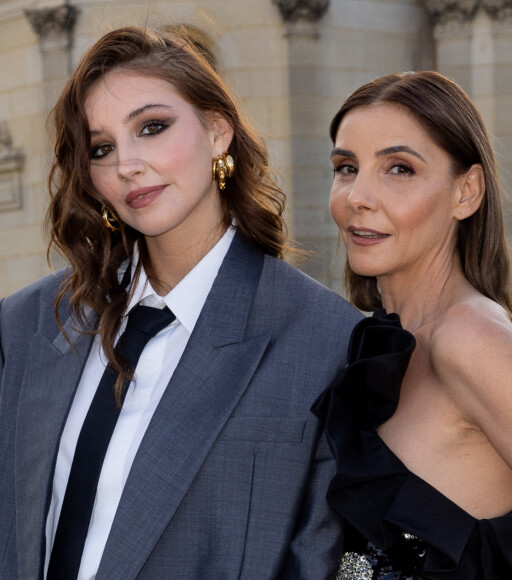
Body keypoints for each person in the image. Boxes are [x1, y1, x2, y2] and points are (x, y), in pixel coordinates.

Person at [0, 25, 363, 580]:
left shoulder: (325, 342)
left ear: (218, 131)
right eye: (102, 148)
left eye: (152, 127)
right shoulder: (25, 324)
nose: (127, 165)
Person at [313, 71, 512, 579]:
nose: (357, 196)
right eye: (346, 167)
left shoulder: (469, 338)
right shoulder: (385, 339)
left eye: (399, 169)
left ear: (467, 192)